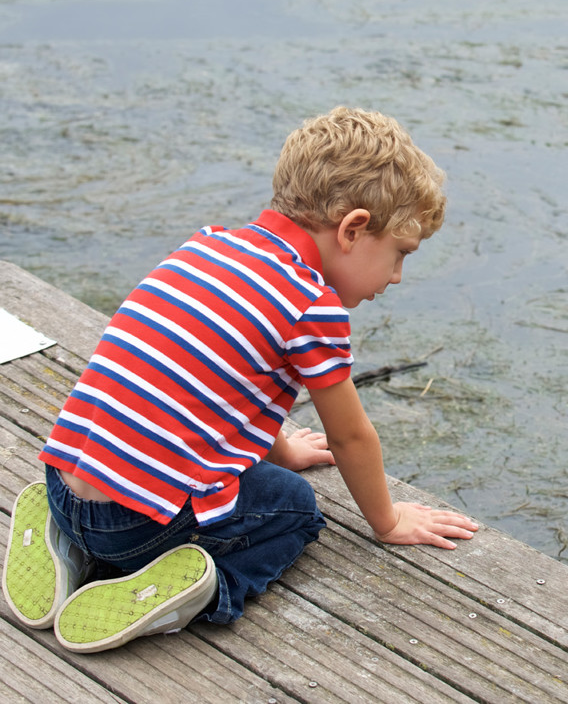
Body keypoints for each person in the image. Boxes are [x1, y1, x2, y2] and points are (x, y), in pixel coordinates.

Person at [1, 107, 479, 653]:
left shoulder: (206, 247)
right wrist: (388, 521)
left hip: (63, 483)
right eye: (399, 254)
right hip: (137, 531)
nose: (396, 277)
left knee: (239, 465)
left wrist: (281, 448)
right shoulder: (310, 305)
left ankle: (63, 540)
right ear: (353, 229)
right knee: (296, 508)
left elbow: (213, 388)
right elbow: (350, 437)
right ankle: (199, 592)